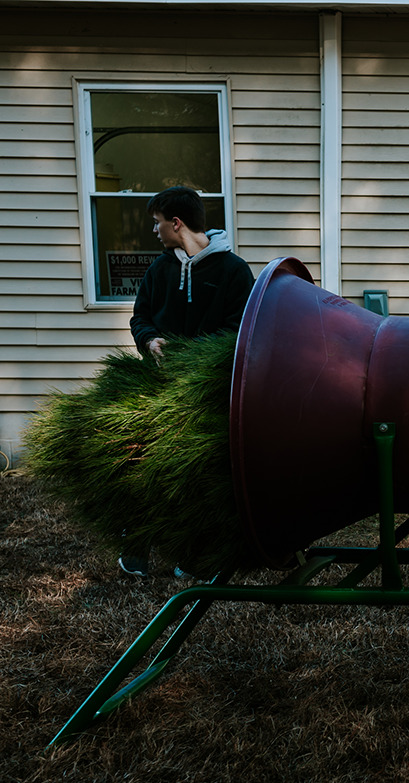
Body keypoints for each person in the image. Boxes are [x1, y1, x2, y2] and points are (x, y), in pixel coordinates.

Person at [119, 186, 255, 577]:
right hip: (159, 387)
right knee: (144, 464)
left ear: (176, 223)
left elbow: (238, 331)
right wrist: (149, 340)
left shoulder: (233, 271)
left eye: (158, 223)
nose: (155, 231)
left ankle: (192, 555)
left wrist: (189, 356)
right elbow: (140, 317)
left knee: (198, 474)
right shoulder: (159, 270)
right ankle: (137, 548)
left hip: (209, 392)